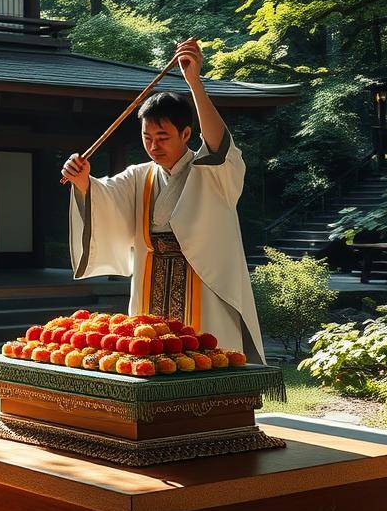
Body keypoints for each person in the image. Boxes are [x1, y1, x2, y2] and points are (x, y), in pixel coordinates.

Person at [61, 38, 265, 363]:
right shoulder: (139, 176)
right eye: (146, 138)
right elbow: (105, 200)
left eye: (163, 137)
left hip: (204, 281)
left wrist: (194, 83)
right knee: (150, 352)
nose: (153, 146)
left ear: (186, 134)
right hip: (152, 277)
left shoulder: (212, 173)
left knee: (206, 357)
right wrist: (83, 181)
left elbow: (219, 145)